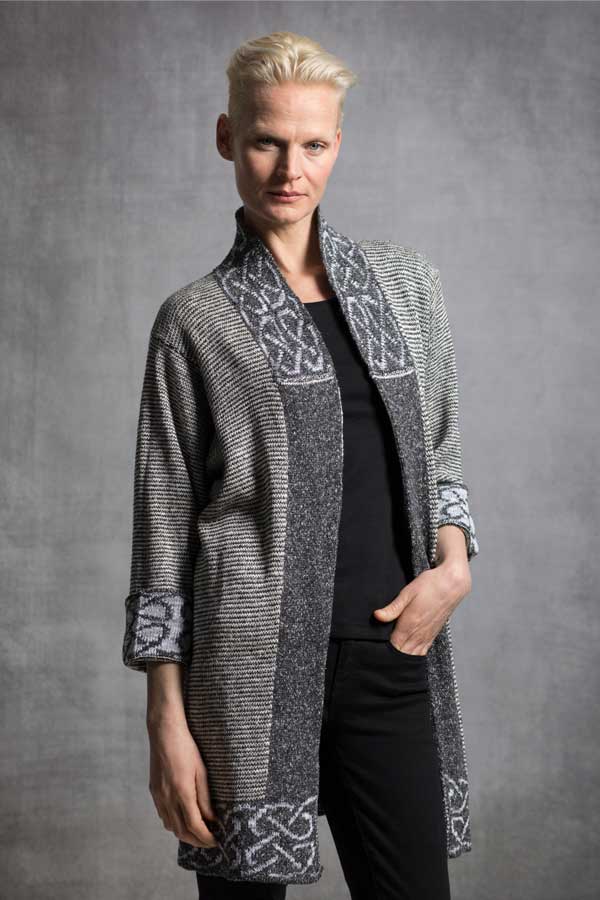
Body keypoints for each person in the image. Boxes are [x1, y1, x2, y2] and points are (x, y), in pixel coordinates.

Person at [121, 30, 480, 900]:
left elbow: (439, 452)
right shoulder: (195, 321)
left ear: (338, 144)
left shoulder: (406, 287)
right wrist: (166, 717)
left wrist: (454, 566)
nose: (291, 169)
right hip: (243, 676)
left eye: (313, 144)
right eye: (266, 141)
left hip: (390, 655)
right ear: (226, 138)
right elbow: (163, 530)